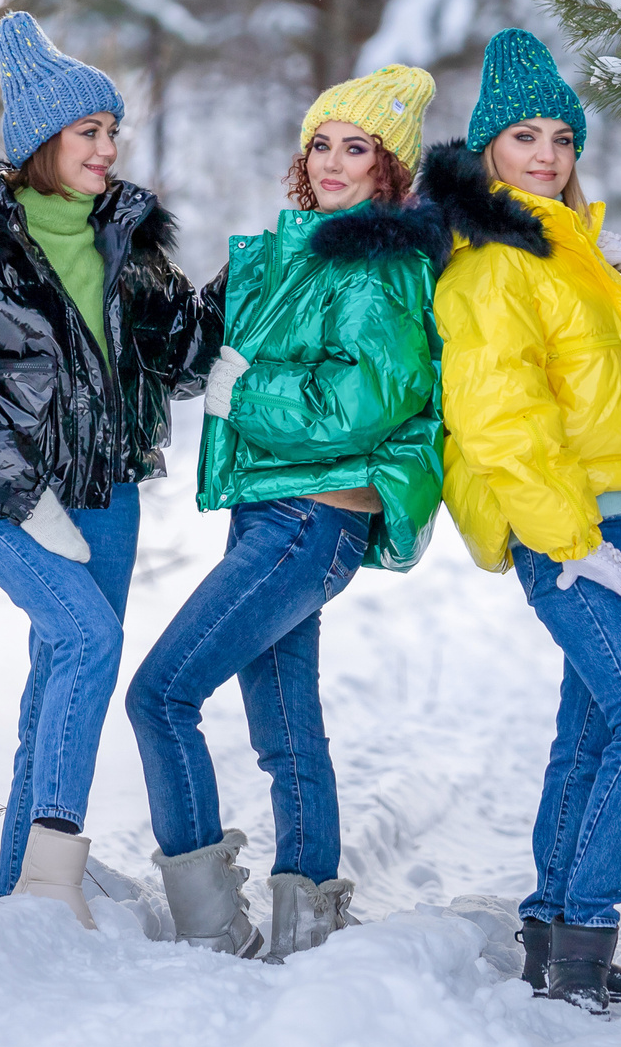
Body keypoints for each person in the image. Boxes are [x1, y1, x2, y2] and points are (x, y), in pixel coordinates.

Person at [0, 12, 218, 929]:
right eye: (88, 132)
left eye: (112, 132)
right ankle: (52, 881)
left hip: (105, 494)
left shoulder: (123, 241)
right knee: (89, 643)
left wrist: (250, 282)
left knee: (61, 672)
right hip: (9, 495)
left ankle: (18, 888)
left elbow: (180, 359)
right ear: (41, 143)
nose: (108, 148)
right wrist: (13, 492)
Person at [126, 65, 447, 960]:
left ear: (390, 170)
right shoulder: (295, 248)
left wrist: (244, 392)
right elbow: (198, 344)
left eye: (359, 148)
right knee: (286, 732)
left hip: (310, 521)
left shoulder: (380, 262)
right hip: (277, 516)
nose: (336, 161)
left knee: (161, 695)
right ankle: (309, 928)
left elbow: (367, 402)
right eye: (323, 142)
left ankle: (207, 923)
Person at [421, 28, 621, 1013]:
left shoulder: (572, 246)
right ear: (487, 150)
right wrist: (572, 543)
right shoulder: (492, 265)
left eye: (561, 138)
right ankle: (584, 940)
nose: (546, 155)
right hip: (574, 535)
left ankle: (552, 935)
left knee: (591, 734)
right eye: (524, 137)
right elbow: (502, 423)